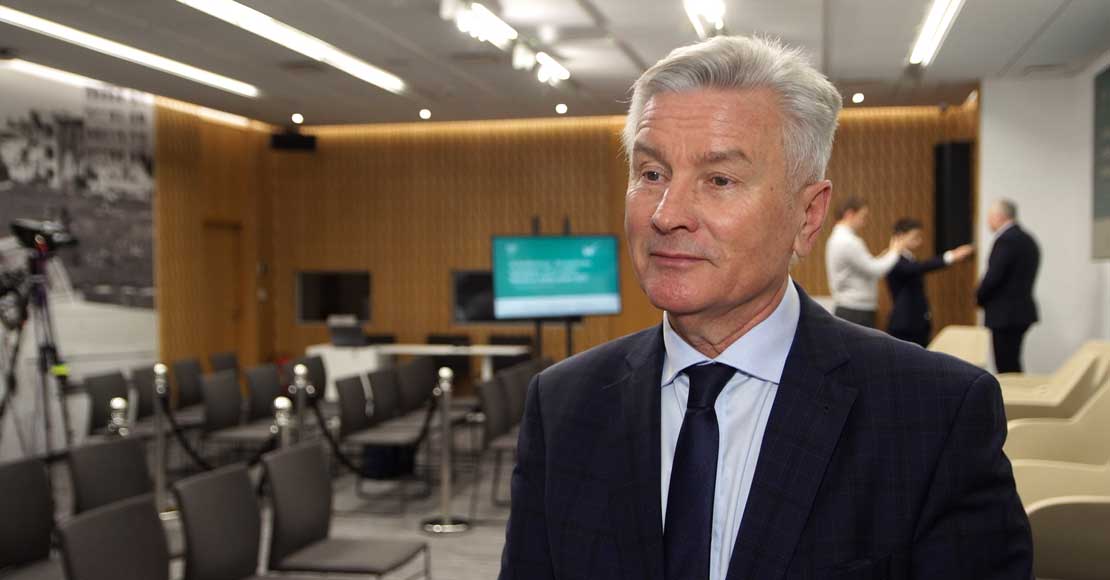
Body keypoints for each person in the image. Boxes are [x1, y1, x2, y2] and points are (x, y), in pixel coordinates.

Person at [500, 35, 1031, 580]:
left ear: (808, 216)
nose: (666, 213)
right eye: (652, 174)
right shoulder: (563, 406)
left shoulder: (934, 414)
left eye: (719, 180)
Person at [885, 218, 974, 347]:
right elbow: (918, 267)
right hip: (905, 323)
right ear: (900, 236)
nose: (919, 241)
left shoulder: (909, 258)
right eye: (915, 237)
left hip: (917, 321)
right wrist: (951, 256)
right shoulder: (893, 258)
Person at [977, 199, 1040, 373]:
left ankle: (1011, 392)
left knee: (1006, 367)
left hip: (1004, 315)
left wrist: (979, 296)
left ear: (999, 216)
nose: (988, 221)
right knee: (1012, 363)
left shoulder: (1005, 240)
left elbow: (994, 277)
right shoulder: (1028, 239)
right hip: (1021, 312)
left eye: (989, 217)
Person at [825, 196, 906, 327]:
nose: (864, 222)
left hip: (850, 309)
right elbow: (875, 270)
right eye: (863, 217)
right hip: (855, 311)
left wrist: (886, 256)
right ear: (849, 214)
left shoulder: (839, 238)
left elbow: (864, 268)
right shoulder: (848, 241)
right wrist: (895, 251)